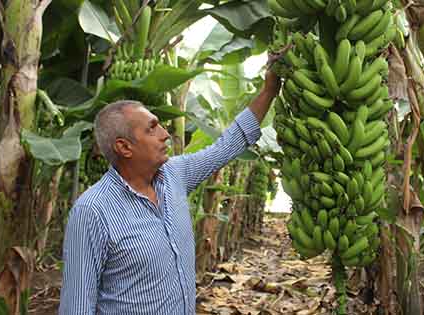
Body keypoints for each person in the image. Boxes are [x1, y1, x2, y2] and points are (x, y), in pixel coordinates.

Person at [58, 69, 281, 315]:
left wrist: (269, 90)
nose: (165, 134)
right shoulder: (92, 212)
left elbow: (227, 145)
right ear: (124, 147)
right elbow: (76, 307)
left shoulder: (175, 175)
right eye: (152, 129)